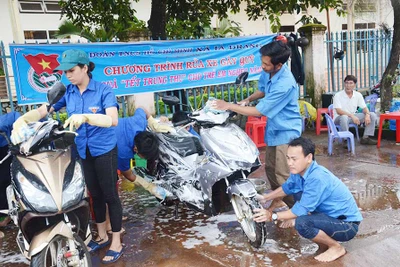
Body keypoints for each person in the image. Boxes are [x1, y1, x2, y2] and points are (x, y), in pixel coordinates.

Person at [11, 49, 123, 263]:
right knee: (94, 196)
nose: (68, 75)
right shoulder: (68, 92)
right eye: (65, 72)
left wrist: (86, 117)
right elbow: (46, 109)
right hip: (82, 150)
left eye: (72, 70)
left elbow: (112, 119)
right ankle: (100, 235)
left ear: (84, 68)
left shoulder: (103, 91)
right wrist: (23, 119)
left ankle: (116, 240)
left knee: (110, 196)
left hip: (104, 149)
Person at [212, 40, 302, 211]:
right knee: (270, 170)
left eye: (266, 64)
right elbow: (262, 90)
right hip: (274, 129)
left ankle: (299, 210)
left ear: (279, 65)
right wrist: (247, 100)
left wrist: (229, 106)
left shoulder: (285, 83)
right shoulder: (269, 72)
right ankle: (278, 200)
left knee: (283, 174)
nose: (262, 66)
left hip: (287, 131)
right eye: (262, 61)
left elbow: (260, 112)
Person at [253, 137, 362, 263]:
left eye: (294, 159)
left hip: (347, 225)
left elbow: (300, 210)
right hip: (329, 217)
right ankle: (323, 244)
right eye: (288, 158)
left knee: (302, 223)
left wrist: (272, 216)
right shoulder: (299, 171)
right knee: (297, 192)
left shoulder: (317, 177)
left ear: (309, 158)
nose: (289, 163)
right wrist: (265, 197)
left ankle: (335, 247)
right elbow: (287, 187)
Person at [333, 75, 377, 145]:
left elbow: (364, 108)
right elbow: (339, 111)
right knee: (344, 117)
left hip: (353, 116)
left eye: (351, 83)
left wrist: (367, 115)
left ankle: (365, 138)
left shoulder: (358, 95)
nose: (348, 85)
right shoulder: (338, 95)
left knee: (372, 115)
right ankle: (346, 140)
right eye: (346, 83)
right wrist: (352, 116)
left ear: (354, 85)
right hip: (339, 118)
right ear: (344, 84)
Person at [0, 112, 20, 238]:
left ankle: (7, 214)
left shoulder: (5, 120)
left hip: (3, 148)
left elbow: (16, 117)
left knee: (5, 181)